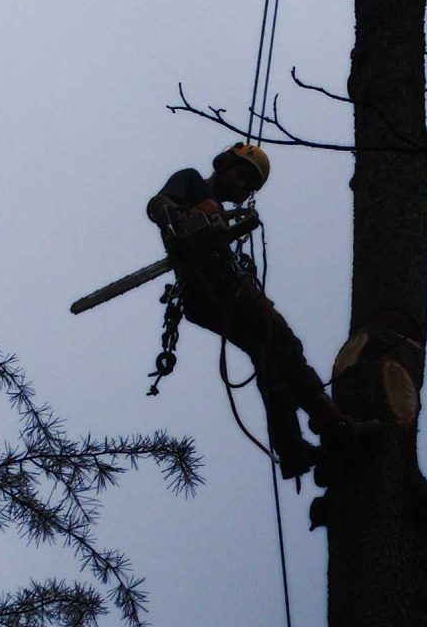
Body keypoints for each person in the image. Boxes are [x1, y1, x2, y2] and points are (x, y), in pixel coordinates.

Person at [147, 144, 353, 481]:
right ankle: (331, 421)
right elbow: (159, 203)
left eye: (249, 185)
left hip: (210, 295)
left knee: (266, 356)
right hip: (214, 288)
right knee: (282, 340)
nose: (242, 186)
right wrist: (174, 216)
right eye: (242, 175)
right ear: (225, 163)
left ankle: (292, 450)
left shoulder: (220, 216)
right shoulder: (192, 182)